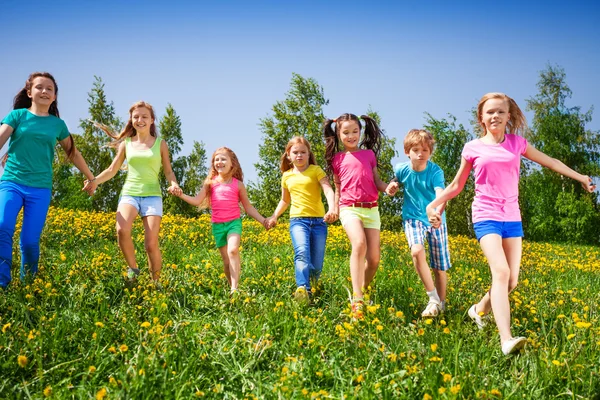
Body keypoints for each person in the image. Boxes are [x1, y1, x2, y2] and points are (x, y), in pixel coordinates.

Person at [426, 92, 596, 355]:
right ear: (481, 118)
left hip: (512, 217)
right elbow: (456, 185)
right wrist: (433, 206)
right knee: (501, 273)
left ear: (508, 116)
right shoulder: (472, 148)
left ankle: (478, 310)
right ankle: (506, 339)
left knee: (512, 281)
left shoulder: (517, 143)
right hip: (485, 215)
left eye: (500, 112)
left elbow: (550, 162)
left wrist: (581, 177)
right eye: (490, 112)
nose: (495, 116)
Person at [0, 72, 95, 288]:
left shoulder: (57, 125)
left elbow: (73, 153)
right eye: (39, 87)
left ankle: (28, 286)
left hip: (40, 189)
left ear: (54, 97)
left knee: (30, 241)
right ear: (29, 92)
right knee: (3, 227)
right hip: (12, 182)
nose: (44, 91)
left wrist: (91, 178)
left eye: (49, 89)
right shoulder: (17, 116)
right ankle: (2, 283)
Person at [83, 101, 182, 286]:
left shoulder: (161, 144)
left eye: (144, 116)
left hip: (152, 195)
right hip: (130, 193)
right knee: (121, 230)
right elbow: (112, 169)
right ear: (131, 120)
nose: (140, 120)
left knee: (151, 244)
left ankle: (156, 283)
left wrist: (173, 183)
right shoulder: (126, 144)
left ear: (152, 120)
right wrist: (94, 181)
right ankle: (133, 270)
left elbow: (168, 171)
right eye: (136, 117)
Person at [323, 113, 396, 318]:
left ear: (361, 132)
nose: (351, 135)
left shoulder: (369, 155)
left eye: (355, 131)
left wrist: (387, 187)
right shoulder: (336, 159)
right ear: (338, 134)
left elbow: (377, 181)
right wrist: (334, 209)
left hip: (371, 209)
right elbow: (337, 188)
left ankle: (361, 289)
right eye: (346, 132)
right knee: (359, 244)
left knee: (373, 259)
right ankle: (357, 300)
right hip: (349, 207)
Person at [173, 147, 267, 294]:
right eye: (216, 159)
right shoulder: (210, 183)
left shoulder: (238, 185)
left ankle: (235, 289)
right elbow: (197, 201)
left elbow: (248, 208)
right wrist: (181, 195)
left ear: (232, 163)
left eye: (223, 159)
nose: (219, 162)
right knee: (226, 261)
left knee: (233, 250)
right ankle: (232, 288)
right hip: (217, 226)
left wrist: (263, 220)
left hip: (233, 223)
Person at [387, 129, 451, 318]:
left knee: (439, 268)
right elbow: (397, 180)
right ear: (408, 151)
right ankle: (433, 298)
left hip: (436, 220)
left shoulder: (435, 171)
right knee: (416, 251)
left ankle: (442, 305)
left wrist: (437, 213)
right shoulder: (401, 168)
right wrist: (393, 186)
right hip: (413, 218)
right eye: (416, 150)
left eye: (425, 150)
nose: (420, 154)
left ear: (430, 152)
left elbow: (442, 194)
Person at [265, 136, 337, 303]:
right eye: (295, 152)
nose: (299, 155)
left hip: (319, 222)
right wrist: (275, 216)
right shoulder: (287, 176)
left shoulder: (316, 171)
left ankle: (312, 289)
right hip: (298, 221)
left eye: (303, 152)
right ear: (288, 155)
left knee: (317, 264)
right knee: (302, 253)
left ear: (308, 153)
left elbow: (328, 190)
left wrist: (332, 208)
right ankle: (302, 289)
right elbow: (285, 200)